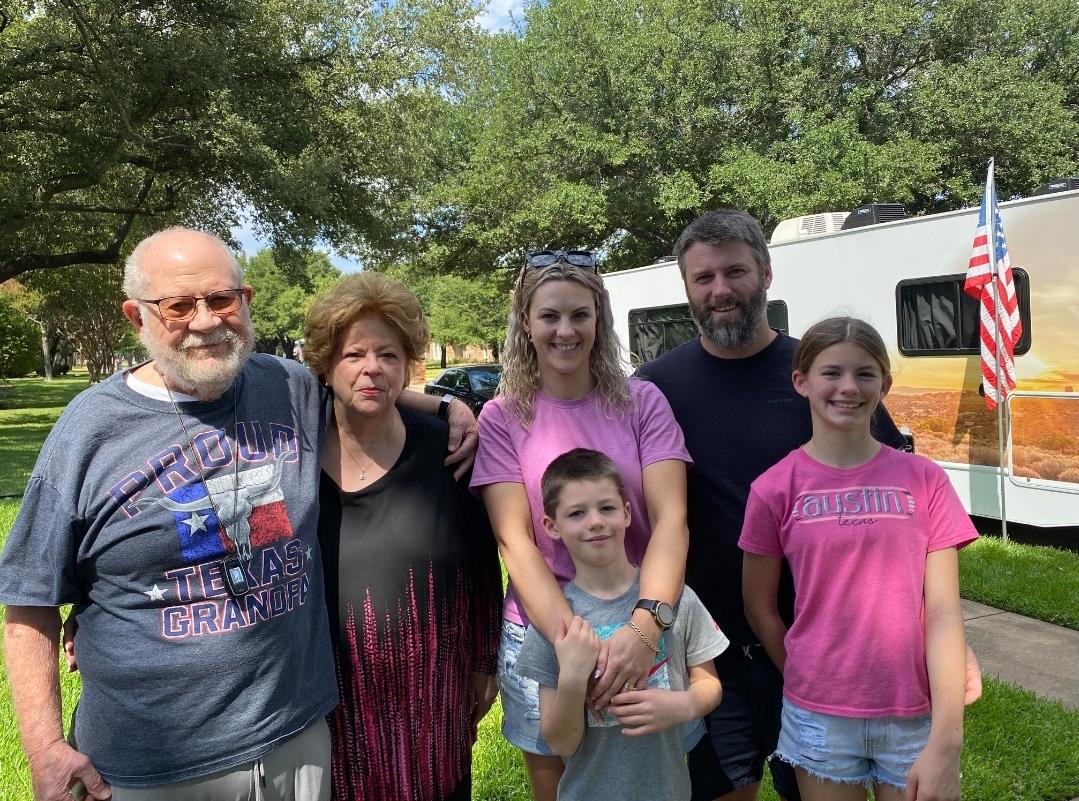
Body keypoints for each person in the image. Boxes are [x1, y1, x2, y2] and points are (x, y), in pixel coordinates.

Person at [0, 227, 477, 800]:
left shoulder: (286, 385)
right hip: (153, 764)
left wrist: (449, 405)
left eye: (221, 299)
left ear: (244, 301)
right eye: (178, 306)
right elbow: (29, 597)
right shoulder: (88, 432)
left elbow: (361, 380)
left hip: (296, 743)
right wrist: (46, 747)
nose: (204, 321)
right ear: (136, 316)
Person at [635, 209, 912, 801]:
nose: (720, 290)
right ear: (686, 288)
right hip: (709, 648)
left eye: (735, 272)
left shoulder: (820, 376)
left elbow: (898, 504)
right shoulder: (656, 387)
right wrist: (452, 413)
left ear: (765, 273)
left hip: (828, 643)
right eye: (703, 278)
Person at [470, 249, 692, 800]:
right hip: (546, 632)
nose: (565, 331)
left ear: (600, 319)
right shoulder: (502, 416)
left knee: (649, 780)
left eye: (580, 315)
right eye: (550, 316)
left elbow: (671, 519)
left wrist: (645, 629)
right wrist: (576, 646)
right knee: (564, 786)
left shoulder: (643, 402)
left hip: (644, 620)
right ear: (527, 322)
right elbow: (514, 541)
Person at [739, 317, 975, 801]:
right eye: (832, 373)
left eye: (865, 374)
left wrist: (947, 741)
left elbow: (945, 611)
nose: (848, 387)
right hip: (819, 718)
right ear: (801, 381)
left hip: (912, 712)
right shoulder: (774, 488)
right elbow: (759, 607)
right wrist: (805, 673)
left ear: (884, 385)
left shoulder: (924, 480)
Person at [304, 273, 502, 801]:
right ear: (325, 364)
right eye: (354, 355)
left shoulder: (449, 450)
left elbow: (484, 563)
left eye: (389, 355)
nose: (373, 368)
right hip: (329, 700)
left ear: (407, 365)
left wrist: (485, 660)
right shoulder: (291, 454)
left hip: (432, 697)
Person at [515, 448, 728, 801]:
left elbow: (710, 685)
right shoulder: (555, 622)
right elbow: (560, 740)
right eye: (577, 513)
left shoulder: (674, 600)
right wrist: (571, 677)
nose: (595, 521)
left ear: (627, 513)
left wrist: (682, 706)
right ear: (551, 526)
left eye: (607, 508)